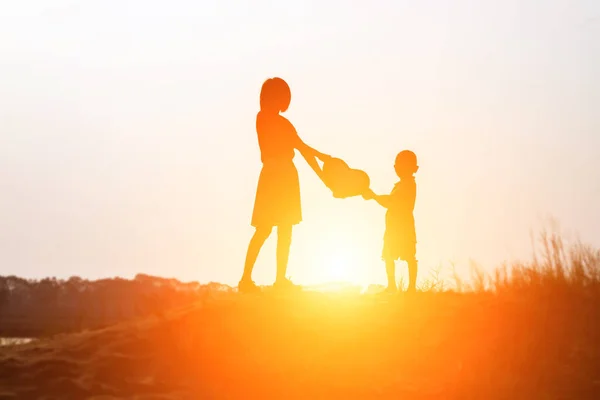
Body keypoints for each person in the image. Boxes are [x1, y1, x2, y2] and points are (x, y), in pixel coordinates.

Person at [239, 77, 331, 293]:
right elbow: (304, 149)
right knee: (265, 228)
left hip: (284, 174)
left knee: (285, 229)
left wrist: (324, 175)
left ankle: (279, 279)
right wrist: (323, 160)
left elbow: (303, 150)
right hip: (275, 174)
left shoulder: (282, 123)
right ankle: (246, 279)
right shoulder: (264, 119)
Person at [363, 150, 419, 293]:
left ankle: (410, 287)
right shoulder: (402, 184)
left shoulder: (407, 185)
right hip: (394, 226)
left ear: (412, 168)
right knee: (389, 254)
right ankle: (393, 286)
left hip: (403, 226)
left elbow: (391, 201)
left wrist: (374, 197)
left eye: (401, 165)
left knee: (408, 256)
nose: (397, 168)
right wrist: (374, 197)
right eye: (397, 165)